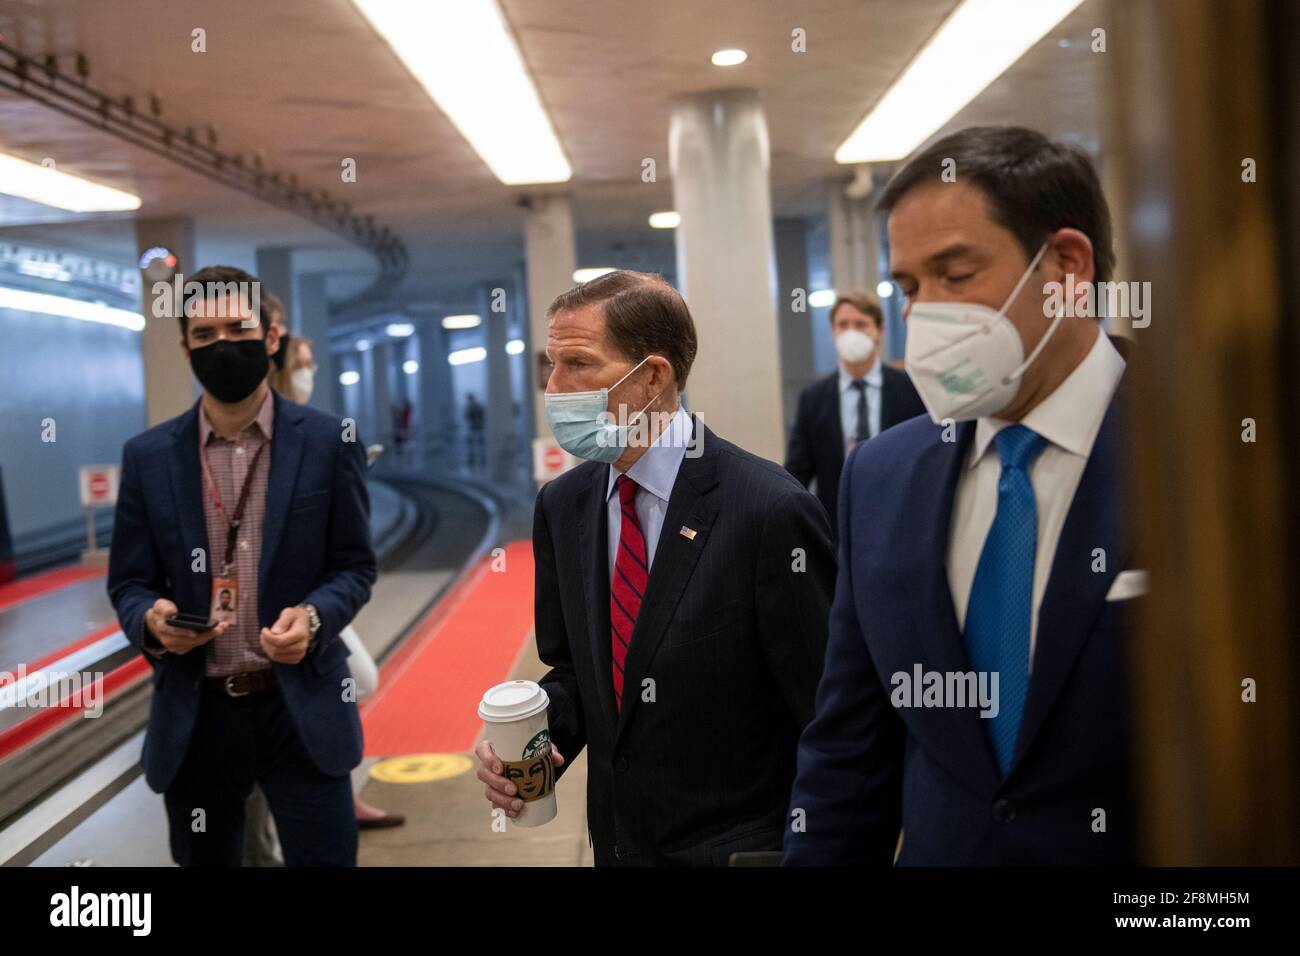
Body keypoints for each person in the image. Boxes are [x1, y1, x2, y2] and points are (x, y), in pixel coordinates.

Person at [784, 126, 1139, 866]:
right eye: (909, 288)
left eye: (956, 273)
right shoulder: (880, 479)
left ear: (1067, 266)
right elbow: (849, 749)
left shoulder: (1208, 463)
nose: (923, 315)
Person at [475, 270, 835, 865]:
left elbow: (827, 710)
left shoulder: (768, 510)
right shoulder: (564, 506)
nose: (555, 387)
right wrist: (537, 742)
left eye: (578, 364)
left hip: (743, 850)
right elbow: (573, 669)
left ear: (653, 377)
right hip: (619, 845)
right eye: (550, 366)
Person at [107, 265, 376, 866]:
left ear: (272, 336)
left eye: (238, 328)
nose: (222, 344)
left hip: (301, 708)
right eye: (204, 335)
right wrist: (151, 620)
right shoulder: (149, 457)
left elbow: (354, 567)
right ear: (185, 349)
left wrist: (313, 617)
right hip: (198, 717)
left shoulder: (330, 442)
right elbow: (128, 582)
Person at [784, 292, 925, 522]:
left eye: (860, 324)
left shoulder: (912, 389)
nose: (851, 332)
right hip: (837, 525)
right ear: (833, 332)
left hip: (901, 517)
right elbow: (797, 472)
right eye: (843, 325)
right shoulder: (813, 399)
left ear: (879, 331)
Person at [463, 393, 485, 470]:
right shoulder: (470, 407)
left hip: (478, 427)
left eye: (470, 399)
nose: (470, 401)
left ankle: (482, 460)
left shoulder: (477, 407)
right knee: (472, 446)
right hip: (473, 428)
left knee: (480, 445)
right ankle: (472, 461)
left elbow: (482, 415)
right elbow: (466, 416)